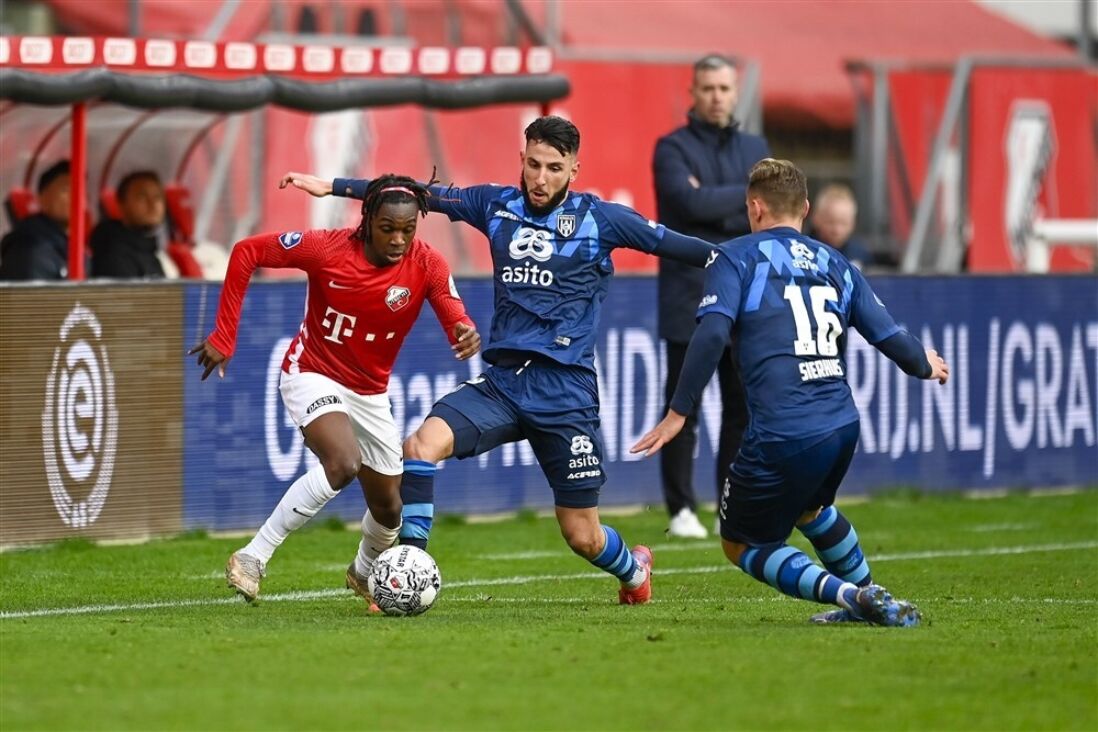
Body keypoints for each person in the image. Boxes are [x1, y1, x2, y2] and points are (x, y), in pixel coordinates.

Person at [281, 116, 718, 605]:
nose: (540, 177)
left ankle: (633, 571)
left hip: (565, 394)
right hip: (503, 385)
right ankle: (409, 571)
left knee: (582, 536)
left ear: (575, 168)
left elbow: (683, 248)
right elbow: (418, 193)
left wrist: (738, 263)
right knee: (420, 447)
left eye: (554, 167)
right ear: (522, 159)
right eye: (533, 164)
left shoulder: (602, 219)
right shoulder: (496, 204)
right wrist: (335, 186)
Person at [632, 159, 949, 626]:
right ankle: (868, 596)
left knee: (740, 543)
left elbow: (712, 335)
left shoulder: (734, 256)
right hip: (842, 424)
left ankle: (849, 597)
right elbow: (887, 334)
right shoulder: (836, 261)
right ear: (804, 208)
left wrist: (679, 412)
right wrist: (925, 363)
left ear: (754, 207)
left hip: (784, 429)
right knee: (811, 508)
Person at [189, 175, 481, 604]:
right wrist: (225, 334)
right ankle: (253, 557)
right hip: (312, 371)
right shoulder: (326, 248)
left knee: (389, 510)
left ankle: (363, 573)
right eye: (388, 228)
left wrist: (465, 329)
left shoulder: (427, 262)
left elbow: (452, 310)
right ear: (366, 220)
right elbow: (247, 251)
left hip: (370, 393)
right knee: (343, 463)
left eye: (408, 229)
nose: (399, 239)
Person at [651, 54, 771, 539]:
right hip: (689, 297)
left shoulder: (756, 145)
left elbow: (767, 211)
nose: (717, 96)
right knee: (684, 405)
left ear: (735, 91)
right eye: (708, 88)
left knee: (742, 408)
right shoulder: (671, 148)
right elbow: (687, 205)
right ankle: (680, 509)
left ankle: (730, 503)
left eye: (724, 88)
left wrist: (713, 204)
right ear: (693, 93)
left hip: (747, 297)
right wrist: (742, 197)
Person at [0, 160, 70, 281]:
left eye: (82, 190)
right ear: (42, 197)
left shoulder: (66, 244)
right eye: (66, 190)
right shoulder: (30, 247)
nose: (78, 197)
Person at [90, 170, 167, 279]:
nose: (152, 204)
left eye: (157, 197)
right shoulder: (113, 255)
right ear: (122, 204)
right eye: (142, 197)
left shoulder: (149, 250)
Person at [809, 183, 873, 270]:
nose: (837, 230)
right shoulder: (803, 250)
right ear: (816, 218)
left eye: (844, 223)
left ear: (853, 222)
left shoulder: (860, 254)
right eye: (830, 222)